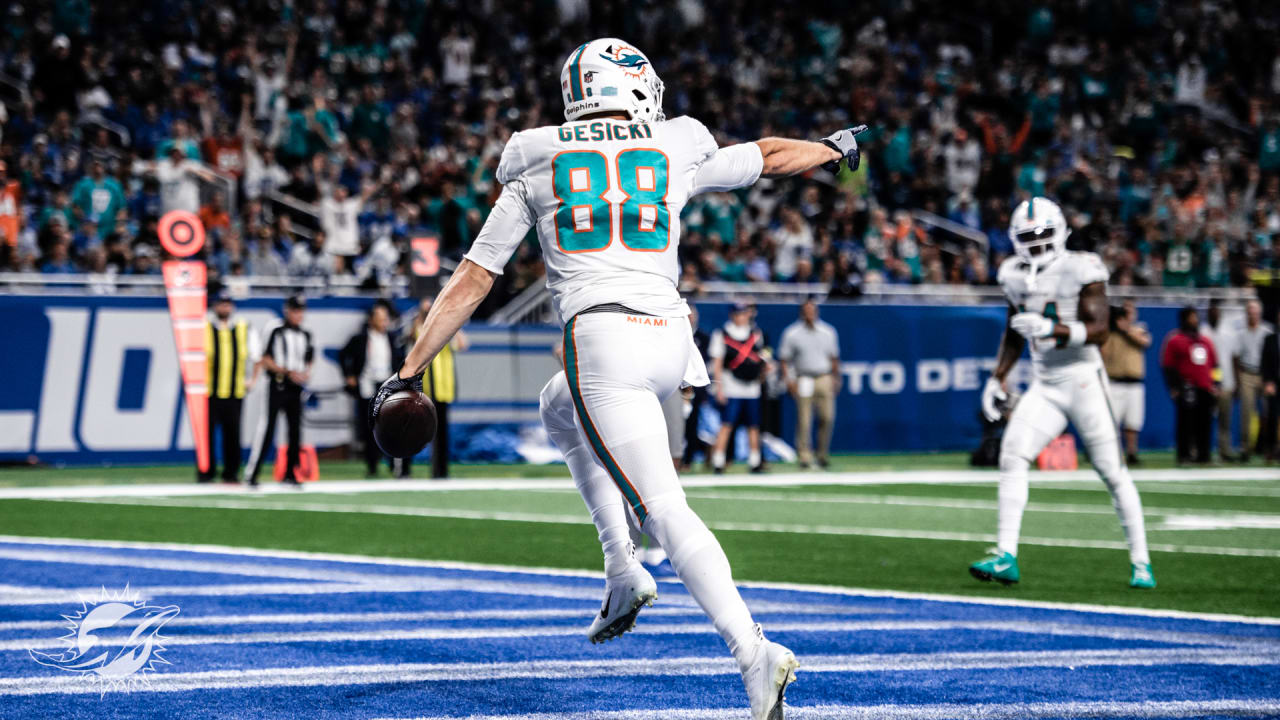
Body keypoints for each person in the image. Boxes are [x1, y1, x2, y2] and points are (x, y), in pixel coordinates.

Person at [370, 38, 870, 719]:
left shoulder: (536, 156)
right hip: (672, 339)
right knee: (557, 407)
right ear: (638, 86)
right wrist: (835, 146)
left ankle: (752, 651)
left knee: (665, 507)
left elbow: (474, 278)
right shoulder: (675, 145)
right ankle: (620, 569)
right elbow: (770, 155)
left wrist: (408, 369)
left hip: (604, 339)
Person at [976, 196, 1154, 589]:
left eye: (1043, 234)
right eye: (1028, 236)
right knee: (1013, 454)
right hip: (1046, 384)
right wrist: (998, 376)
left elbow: (1101, 329)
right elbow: (1013, 330)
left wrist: (1052, 330)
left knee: (1111, 472)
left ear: (1061, 233)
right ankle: (1006, 555)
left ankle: (1141, 562)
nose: (1037, 243)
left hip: (1084, 380)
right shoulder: (1012, 274)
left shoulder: (1082, 267)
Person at [245, 295, 314, 487]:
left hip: (295, 387)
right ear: (287, 310)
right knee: (267, 428)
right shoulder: (275, 329)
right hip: (277, 384)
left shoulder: (305, 334)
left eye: (301, 311)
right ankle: (252, 473)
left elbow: (310, 358)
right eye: (295, 310)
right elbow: (264, 358)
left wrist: (305, 373)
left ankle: (291, 473)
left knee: (295, 432)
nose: (298, 315)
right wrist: (286, 371)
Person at [340, 300, 406, 477]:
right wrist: (349, 375)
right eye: (380, 318)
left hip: (386, 384)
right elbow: (343, 354)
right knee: (370, 427)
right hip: (367, 385)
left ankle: (394, 464)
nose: (383, 322)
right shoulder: (361, 339)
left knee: (390, 426)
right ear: (371, 320)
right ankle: (372, 465)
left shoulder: (392, 338)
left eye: (385, 318)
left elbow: (400, 359)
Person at [201, 291, 259, 483]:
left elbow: (256, 356)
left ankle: (231, 472)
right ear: (214, 306)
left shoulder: (243, 327)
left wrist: (252, 379)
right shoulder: (205, 326)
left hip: (235, 391)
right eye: (221, 304)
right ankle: (205, 472)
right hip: (209, 391)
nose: (224, 308)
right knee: (206, 435)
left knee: (233, 434)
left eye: (227, 304)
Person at [778, 298, 842, 469]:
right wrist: (789, 380)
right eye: (806, 310)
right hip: (803, 377)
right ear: (801, 312)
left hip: (823, 376)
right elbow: (784, 359)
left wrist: (836, 377)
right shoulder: (792, 333)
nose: (809, 314)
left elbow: (834, 358)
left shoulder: (828, 331)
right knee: (804, 420)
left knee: (827, 417)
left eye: (812, 310)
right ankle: (805, 456)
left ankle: (822, 454)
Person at [410, 297, 469, 479]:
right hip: (430, 387)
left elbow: (462, 344)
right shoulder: (425, 330)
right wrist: (423, 314)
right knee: (432, 431)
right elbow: (415, 335)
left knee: (443, 432)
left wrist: (453, 320)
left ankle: (443, 470)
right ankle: (435, 470)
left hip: (445, 387)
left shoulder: (446, 332)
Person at [709, 302, 770, 474]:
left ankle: (755, 460)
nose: (742, 317)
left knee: (753, 425)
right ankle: (718, 460)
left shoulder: (756, 334)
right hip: (731, 386)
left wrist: (763, 372)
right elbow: (718, 363)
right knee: (727, 424)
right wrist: (718, 388)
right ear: (732, 315)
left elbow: (762, 356)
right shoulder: (721, 334)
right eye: (738, 314)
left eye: (744, 314)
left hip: (752, 387)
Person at [1160, 306, 1219, 466]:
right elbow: (1168, 365)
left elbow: (1215, 365)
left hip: (1205, 387)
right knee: (1185, 423)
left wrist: (1216, 385)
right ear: (1184, 319)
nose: (1195, 320)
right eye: (1192, 317)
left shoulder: (1205, 341)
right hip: (1185, 387)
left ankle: (1204, 455)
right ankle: (1184, 455)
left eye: (1196, 317)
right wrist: (1173, 386)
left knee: (1204, 423)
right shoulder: (1175, 339)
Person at [1101, 300, 1151, 466]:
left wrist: (1126, 329)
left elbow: (1145, 342)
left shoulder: (1138, 330)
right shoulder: (1110, 333)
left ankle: (1132, 453)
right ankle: (1112, 453)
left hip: (1134, 382)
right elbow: (1104, 353)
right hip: (1116, 381)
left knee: (1133, 422)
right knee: (1113, 421)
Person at [1201, 298, 1239, 461]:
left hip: (1226, 381)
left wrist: (1236, 381)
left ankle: (1224, 450)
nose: (1214, 314)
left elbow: (1235, 357)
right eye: (1211, 311)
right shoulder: (1202, 332)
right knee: (1204, 418)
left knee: (1225, 419)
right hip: (1206, 383)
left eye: (1216, 311)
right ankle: (1203, 450)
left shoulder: (1229, 331)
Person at [1237, 299, 1273, 460]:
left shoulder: (1268, 331)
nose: (1253, 314)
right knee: (1246, 411)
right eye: (1250, 312)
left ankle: (1266, 446)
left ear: (1260, 313)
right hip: (1247, 373)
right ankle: (1246, 448)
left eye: (1255, 312)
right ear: (1247, 314)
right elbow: (1236, 357)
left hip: (1264, 374)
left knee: (1267, 412)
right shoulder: (1241, 333)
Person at [1260, 309, 1279, 461]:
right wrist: (1267, 382)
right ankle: (1270, 449)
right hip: (1274, 383)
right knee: (1271, 416)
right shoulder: (1270, 338)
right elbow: (1265, 362)